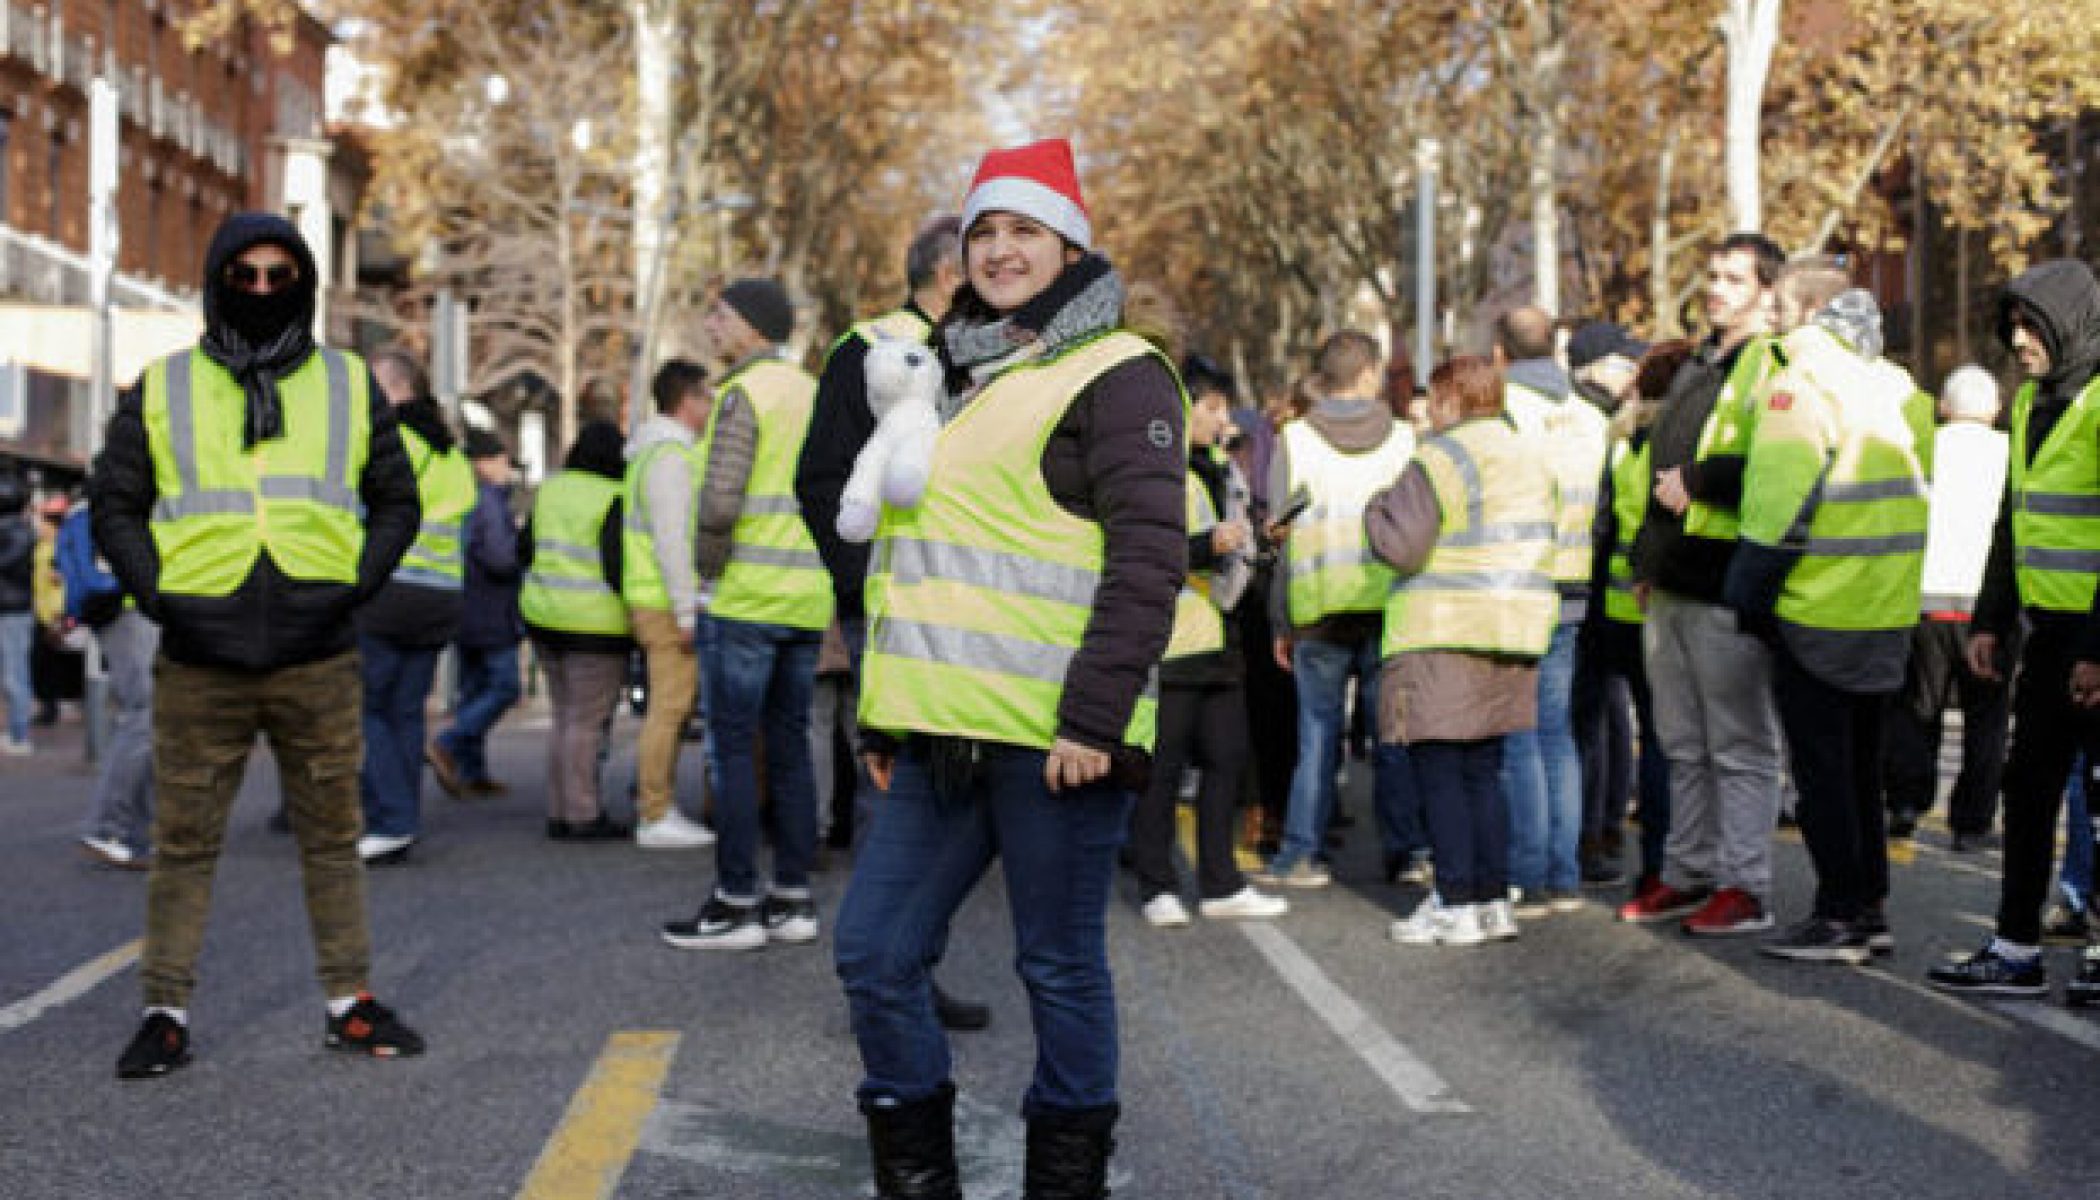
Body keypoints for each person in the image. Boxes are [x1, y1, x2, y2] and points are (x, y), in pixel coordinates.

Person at [832, 138, 1183, 1199]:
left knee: (1058, 966)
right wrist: (884, 723)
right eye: (983, 232)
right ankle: (919, 1174)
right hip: (939, 738)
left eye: (1024, 230)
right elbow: (918, 569)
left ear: (1071, 246)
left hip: (1057, 741)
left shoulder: (1118, 373)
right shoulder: (949, 377)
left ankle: (1065, 1181)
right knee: (874, 954)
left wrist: (1094, 720)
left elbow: (1148, 563)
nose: (999, 249)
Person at [90, 211, 426, 1078]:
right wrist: (160, 595)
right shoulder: (162, 386)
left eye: (283, 276)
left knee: (331, 835)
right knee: (185, 842)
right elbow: (113, 501)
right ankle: (165, 1010)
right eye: (247, 276)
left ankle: (349, 1003)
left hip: (317, 648)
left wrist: (353, 586)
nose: (266, 291)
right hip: (201, 651)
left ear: (306, 285)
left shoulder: (349, 384)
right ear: (217, 282)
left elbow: (398, 501)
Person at [793, 214, 991, 1032]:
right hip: (891, 610)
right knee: (897, 786)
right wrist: (863, 590)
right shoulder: (870, 351)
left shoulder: (981, 352)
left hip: (965, 608)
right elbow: (823, 480)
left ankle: (910, 961)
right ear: (951, 272)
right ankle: (885, 969)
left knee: (945, 783)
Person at [1727, 267, 1927, 963]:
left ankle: (1838, 913)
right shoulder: (1893, 385)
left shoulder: (1799, 381)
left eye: (1780, 305)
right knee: (1859, 772)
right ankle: (1867, 907)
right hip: (1885, 604)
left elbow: (1778, 505)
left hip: (1817, 606)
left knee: (1821, 777)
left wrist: (1747, 593)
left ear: (1812, 309)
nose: (1772, 318)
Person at [1929, 259, 2100, 1003]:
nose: (2021, 340)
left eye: (2034, 326)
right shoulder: (2032, 402)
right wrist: (1992, 620)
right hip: (2045, 635)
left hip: (2094, 640)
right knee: (2028, 793)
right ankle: (2015, 947)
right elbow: (2012, 522)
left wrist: (2099, 647)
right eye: (2015, 326)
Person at [1621, 232, 1789, 936]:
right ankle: (1686, 870)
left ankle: (1744, 884)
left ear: (1766, 291)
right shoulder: (1696, 362)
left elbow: (1780, 461)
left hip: (1725, 583)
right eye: (1712, 275)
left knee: (1739, 745)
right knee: (1681, 741)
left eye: (1732, 278)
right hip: (1673, 583)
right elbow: (1653, 467)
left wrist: (1701, 481)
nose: (1715, 288)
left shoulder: (1770, 363)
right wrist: (1644, 563)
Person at [660, 278, 834, 951]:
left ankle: (735, 902)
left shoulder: (743, 394)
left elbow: (723, 499)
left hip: (745, 598)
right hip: (803, 598)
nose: (710, 324)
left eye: (720, 314)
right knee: (790, 748)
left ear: (755, 328)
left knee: (733, 752)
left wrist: (705, 572)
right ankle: (792, 899)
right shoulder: (811, 391)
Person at [1367, 355, 1558, 946]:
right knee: (1483, 772)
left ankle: (1454, 902)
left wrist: (1378, 506)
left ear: (1451, 399)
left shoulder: (1440, 456)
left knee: (1441, 772)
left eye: (1434, 396)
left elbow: (1403, 545)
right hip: (1514, 625)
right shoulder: (1527, 454)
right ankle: (1491, 897)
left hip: (1443, 628)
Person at [1127, 368, 1288, 928]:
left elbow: (1231, 547)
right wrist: (1205, 544)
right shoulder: (1152, 466)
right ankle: (1157, 885)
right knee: (1162, 770)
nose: (1225, 420)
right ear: (1180, 408)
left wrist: (1259, 541)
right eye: (1214, 408)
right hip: (1168, 642)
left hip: (1219, 636)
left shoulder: (1222, 470)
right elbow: (1141, 546)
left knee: (1227, 760)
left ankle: (1221, 884)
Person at [1256, 330, 1417, 889]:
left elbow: (1279, 536)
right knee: (1392, 736)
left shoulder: (1294, 440)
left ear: (1323, 378)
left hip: (1317, 610)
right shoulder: (1404, 439)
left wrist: (1280, 621)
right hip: (1389, 607)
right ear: (1370, 373)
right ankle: (1408, 850)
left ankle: (1303, 852)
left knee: (1317, 736)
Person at [1497, 306, 1605, 916]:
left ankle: (1529, 872)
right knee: (1557, 734)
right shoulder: (1588, 418)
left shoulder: (1508, 413)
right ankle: (1564, 873)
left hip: (1519, 585)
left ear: (1500, 353)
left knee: (1520, 735)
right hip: (1573, 584)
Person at [355, 349, 477, 863]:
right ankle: (402, 820)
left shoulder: (385, 442)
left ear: (393, 386)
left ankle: (391, 818)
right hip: (439, 597)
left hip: (387, 592)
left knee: (369, 712)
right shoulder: (450, 456)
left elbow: (356, 515)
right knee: (406, 714)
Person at [1883, 365, 2010, 847]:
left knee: (1918, 708)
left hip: (1924, 597)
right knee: (1987, 719)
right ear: (1995, 410)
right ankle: (1972, 821)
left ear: (1943, 406)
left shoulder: (1922, 447)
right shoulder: (2010, 453)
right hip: (1988, 605)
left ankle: (1906, 802)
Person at [1589, 340, 1691, 901]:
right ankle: (1665, 863)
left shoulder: (1620, 442)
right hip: (1664, 603)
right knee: (1667, 743)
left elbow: (1604, 526)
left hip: (1616, 607)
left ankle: (1644, 861)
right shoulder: (1679, 443)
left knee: (1633, 733)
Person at [518, 420, 635, 841]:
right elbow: (619, 564)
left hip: (544, 614)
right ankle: (583, 812)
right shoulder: (615, 496)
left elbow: (524, 549)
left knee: (564, 717)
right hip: (596, 624)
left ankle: (559, 807)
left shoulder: (551, 489)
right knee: (586, 721)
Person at [1563, 321, 1650, 887]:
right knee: (1593, 721)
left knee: (1601, 719)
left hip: (1600, 593)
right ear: (1592, 368)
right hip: (1594, 591)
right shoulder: (1589, 424)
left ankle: (1599, 830)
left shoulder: (1609, 424)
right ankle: (1592, 833)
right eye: (1623, 363)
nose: (1632, 374)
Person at [620, 358, 718, 850]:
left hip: (650, 594)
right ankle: (654, 811)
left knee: (669, 707)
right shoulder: (670, 459)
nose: (712, 405)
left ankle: (657, 807)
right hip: (663, 599)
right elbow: (673, 540)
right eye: (707, 396)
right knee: (671, 708)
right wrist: (686, 609)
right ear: (688, 401)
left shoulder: (650, 453)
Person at [428, 428, 526, 797]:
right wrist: (521, 551)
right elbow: (500, 557)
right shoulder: (488, 500)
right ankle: (450, 743)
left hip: (463, 604)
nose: (508, 471)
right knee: (504, 685)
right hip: (490, 608)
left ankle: (471, 770)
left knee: (473, 688)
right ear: (484, 462)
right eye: (503, 462)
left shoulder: (461, 494)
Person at [61, 494, 157, 867]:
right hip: (130, 609)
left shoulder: (92, 502)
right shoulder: (125, 497)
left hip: (120, 609)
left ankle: (139, 832)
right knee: (144, 714)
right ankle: (108, 825)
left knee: (149, 717)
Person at [0, 472, 35, 755]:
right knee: (12, 673)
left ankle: (19, 734)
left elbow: (8, 562)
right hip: (13, 609)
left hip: (13, 611)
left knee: (15, 674)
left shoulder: (19, 532)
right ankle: (14, 730)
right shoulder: (20, 529)